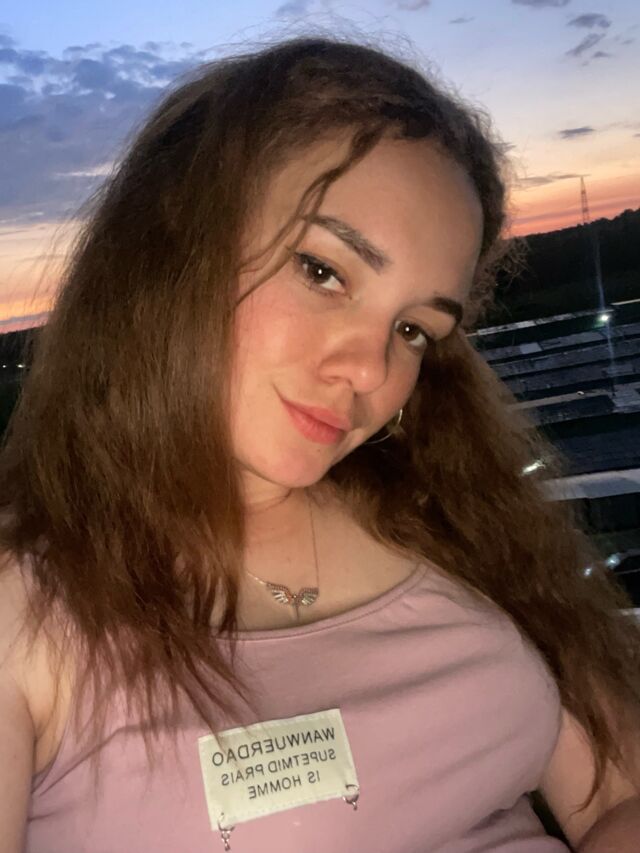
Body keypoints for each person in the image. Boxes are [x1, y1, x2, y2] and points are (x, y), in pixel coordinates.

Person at [0, 37, 638, 853]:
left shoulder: (454, 517)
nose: (370, 369)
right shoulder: (32, 601)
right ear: (173, 246)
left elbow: (616, 795)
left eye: (413, 328)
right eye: (323, 271)